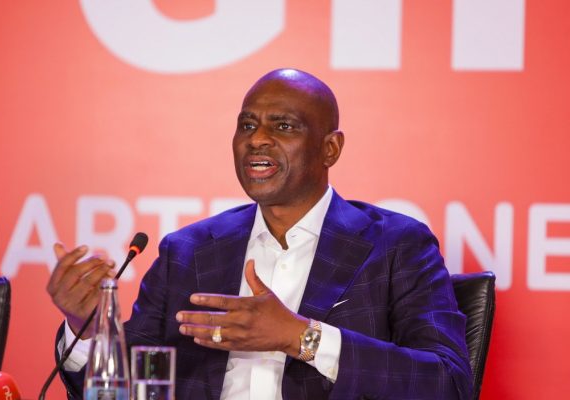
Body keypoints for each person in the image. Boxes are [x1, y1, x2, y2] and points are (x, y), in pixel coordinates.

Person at [47, 68, 472, 399]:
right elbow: (126, 386)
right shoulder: (187, 252)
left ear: (330, 149)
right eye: (247, 125)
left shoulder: (396, 245)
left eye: (283, 126)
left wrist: (300, 336)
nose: (258, 139)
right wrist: (88, 330)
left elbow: (448, 383)